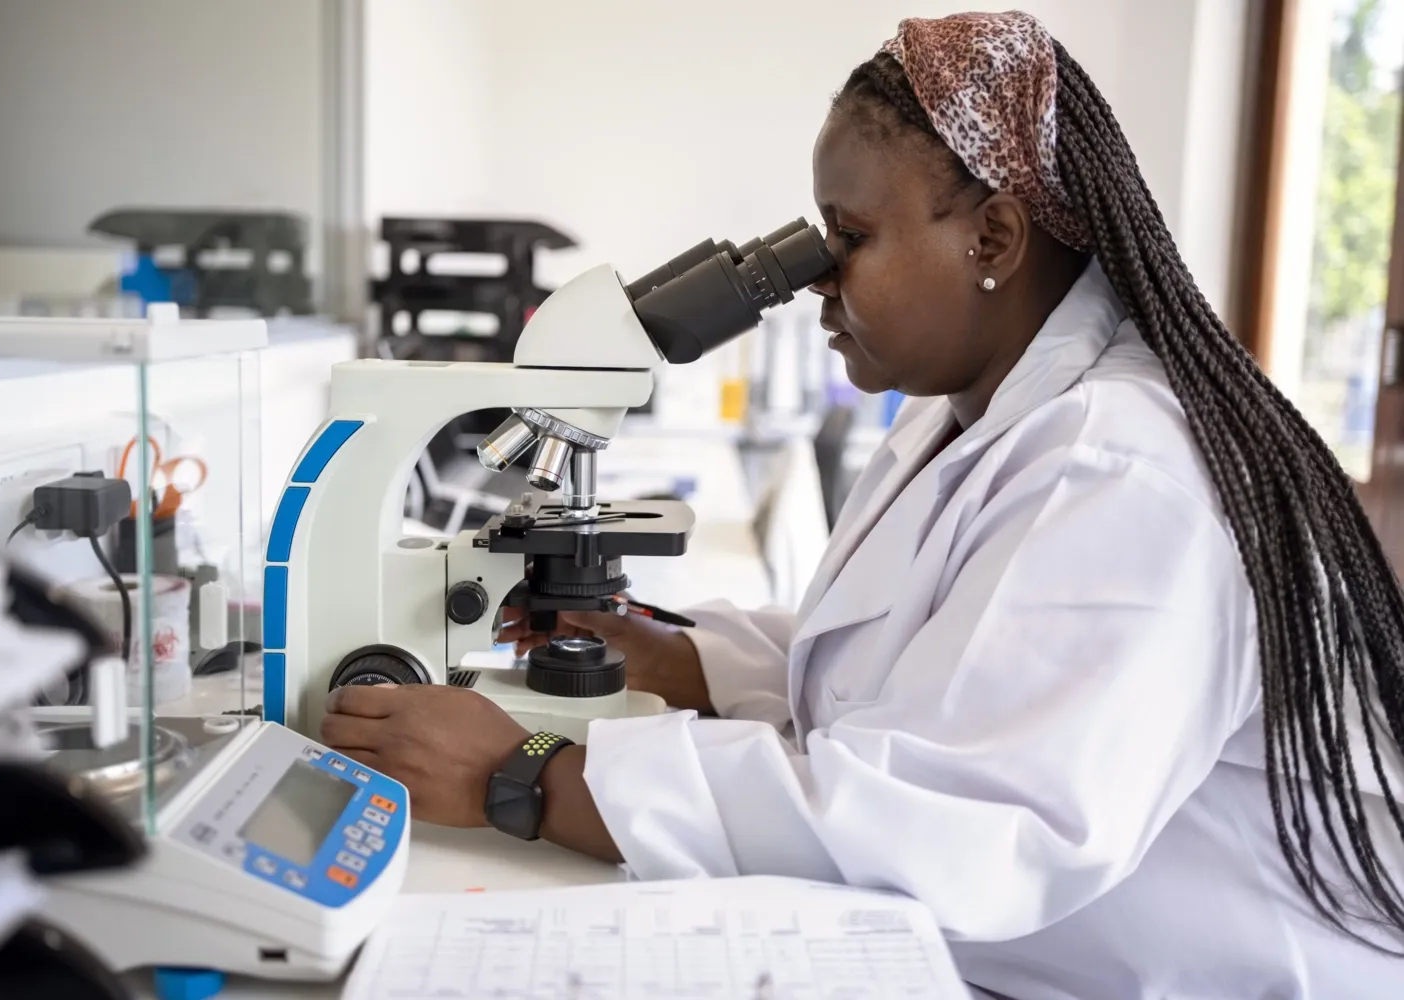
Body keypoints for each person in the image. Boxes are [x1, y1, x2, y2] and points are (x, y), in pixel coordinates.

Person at [321, 10, 1404, 997]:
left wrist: (527, 775)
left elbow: (950, 821)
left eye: (850, 241)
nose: (814, 284)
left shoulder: (1122, 468)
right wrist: (675, 655)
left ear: (993, 238)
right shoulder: (979, 410)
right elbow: (930, 666)